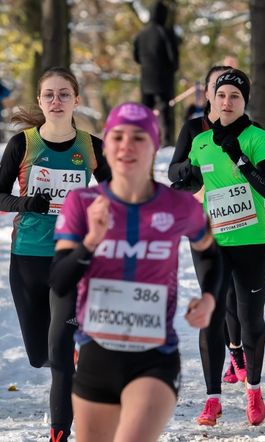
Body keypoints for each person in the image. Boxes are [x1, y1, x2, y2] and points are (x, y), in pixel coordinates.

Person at [49, 102, 218, 442]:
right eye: (118, 137)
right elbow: (59, 282)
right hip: (96, 357)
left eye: (138, 137)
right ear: (106, 146)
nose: (127, 146)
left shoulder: (180, 205)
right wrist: (92, 241)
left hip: (154, 360)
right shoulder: (82, 203)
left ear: (154, 146)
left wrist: (209, 298)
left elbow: (211, 254)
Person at [0, 67, 111, 442]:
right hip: (27, 256)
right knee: (40, 355)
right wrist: (26, 202)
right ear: (39, 101)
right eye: (49, 95)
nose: (56, 101)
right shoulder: (22, 144)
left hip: (71, 257)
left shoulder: (91, 146)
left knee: (60, 354)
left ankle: (59, 432)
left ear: (76, 100)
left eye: (64, 94)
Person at [189, 69, 265, 427]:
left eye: (235, 97)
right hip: (211, 244)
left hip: (252, 244)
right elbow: (194, 187)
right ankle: (212, 400)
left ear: (245, 102)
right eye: (222, 95)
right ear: (212, 98)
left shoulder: (259, 138)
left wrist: (240, 159)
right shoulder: (200, 143)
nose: (227, 102)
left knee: (249, 318)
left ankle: (253, 390)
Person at [168, 65, 249, 398]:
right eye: (217, 88)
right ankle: (232, 355)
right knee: (217, 293)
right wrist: (195, 167)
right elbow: (174, 172)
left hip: (239, 223)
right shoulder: (193, 129)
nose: (223, 96)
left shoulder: (248, 129)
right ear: (208, 94)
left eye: (230, 90)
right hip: (203, 223)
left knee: (236, 295)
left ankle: (238, 350)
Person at [133, 0, 179, 146]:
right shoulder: (166, 33)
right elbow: (173, 57)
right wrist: (171, 69)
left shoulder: (141, 34)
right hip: (163, 80)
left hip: (146, 79)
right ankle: (166, 142)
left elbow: (136, 57)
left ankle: (142, 139)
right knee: (165, 112)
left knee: (145, 112)